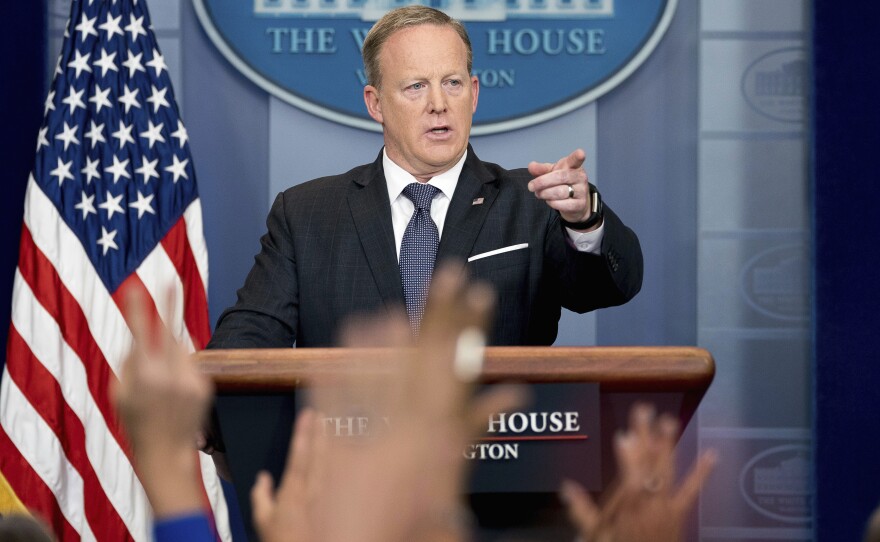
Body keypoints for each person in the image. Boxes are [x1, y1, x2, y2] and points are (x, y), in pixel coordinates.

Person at [207, 5, 643, 349]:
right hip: (353, 436)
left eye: (452, 83)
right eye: (416, 86)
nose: (438, 103)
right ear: (375, 103)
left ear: (473, 93)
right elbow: (250, 336)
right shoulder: (306, 215)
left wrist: (584, 221)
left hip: (497, 435)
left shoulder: (531, 204)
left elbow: (605, 290)